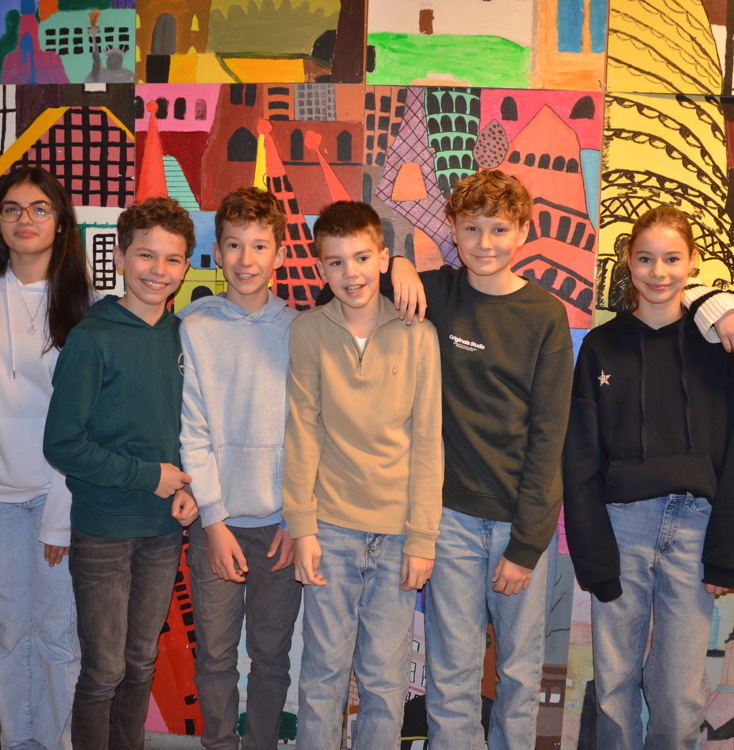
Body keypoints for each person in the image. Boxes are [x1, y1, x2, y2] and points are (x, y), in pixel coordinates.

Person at [390, 169, 574, 750]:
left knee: (519, 672)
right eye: (471, 228)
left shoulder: (545, 315)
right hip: (449, 520)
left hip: (521, 523)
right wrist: (396, 264)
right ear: (452, 229)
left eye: (499, 229)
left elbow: (550, 435)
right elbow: (343, 287)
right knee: (452, 671)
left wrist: (527, 544)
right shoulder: (438, 295)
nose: (485, 242)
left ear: (523, 231)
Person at [563, 205, 734, 750]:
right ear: (628, 263)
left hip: (696, 528)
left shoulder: (720, 344)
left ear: (693, 262)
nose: (658, 272)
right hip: (622, 527)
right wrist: (593, 555)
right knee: (613, 683)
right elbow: (581, 457)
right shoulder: (600, 345)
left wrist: (725, 553)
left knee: (680, 694)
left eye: (672, 259)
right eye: (645, 259)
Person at [282, 200, 443, 750]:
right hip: (330, 530)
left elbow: (428, 443)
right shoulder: (308, 331)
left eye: (361, 258)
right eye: (335, 262)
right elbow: (302, 431)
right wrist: (302, 528)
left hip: (398, 536)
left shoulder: (419, 334)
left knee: (384, 679)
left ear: (383, 259)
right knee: (323, 673)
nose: (350, 273)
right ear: (320, 268)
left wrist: (422, 537)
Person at [43, 196, 199, 750]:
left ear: (186, 266)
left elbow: (195, 428)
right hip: (104, 530)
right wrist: (146, 477)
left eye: (172, 259)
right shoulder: (93, 337)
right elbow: (62, 444)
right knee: (104, 669)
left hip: (162, 530)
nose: (159, 270)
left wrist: (192, 486)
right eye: (146, 255)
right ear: (119, 257)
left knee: (140, 661)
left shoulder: (184, 336)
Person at [179, 187, 302, 750]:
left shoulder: (301, 330)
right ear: (217, 250)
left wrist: (296, 518)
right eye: (233, 245)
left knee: (272, 656)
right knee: (215, 654)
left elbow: (310, 432)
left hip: (280, 527)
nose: (245, 259)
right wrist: (214, 519)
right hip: (217, 524)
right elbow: (192, 430)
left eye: (259, 246)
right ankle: (220, 744)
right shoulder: (193, 326)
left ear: (279, 253)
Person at [0, 166, 92, 750]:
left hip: (59, 499)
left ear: (60, 222)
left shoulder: (86, 307)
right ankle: (17, 741)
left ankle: (55, 742)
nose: (24, 219)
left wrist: (61, 510)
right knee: (5, 636)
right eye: (11, 209)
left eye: (39, 208)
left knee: (56, 636)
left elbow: (89, 424)